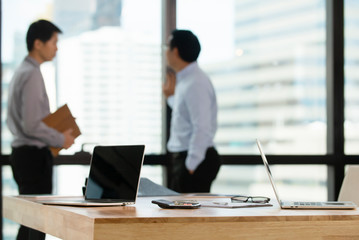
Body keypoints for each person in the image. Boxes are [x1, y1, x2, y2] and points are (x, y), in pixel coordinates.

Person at [6, 19, 75, 240]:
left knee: (29, 221)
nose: (56, 47)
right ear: (38, 43)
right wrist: (59, 137)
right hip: (33, 157)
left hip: (24, 155)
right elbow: (32, 124)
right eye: (54, 41)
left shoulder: (22, 71)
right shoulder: (32, 74)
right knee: (37, 224)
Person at [163, 29, 221, 193]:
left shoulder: (195, 82)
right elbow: (186, 116)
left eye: (167, 47)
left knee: (189, 218)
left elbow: (202, 127)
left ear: (175, 51)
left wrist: (191, 165)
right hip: (190, 159)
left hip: (194, 160)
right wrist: (170, 98)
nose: (166, 53)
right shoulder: (187, 80)